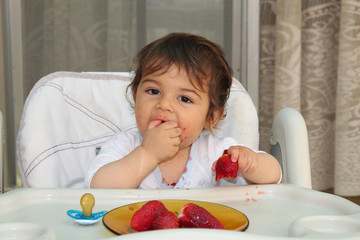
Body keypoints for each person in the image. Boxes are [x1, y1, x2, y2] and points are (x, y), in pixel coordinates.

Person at [85, 33, 281, 189]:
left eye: (185, 98)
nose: (165, 105)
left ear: (211, 117)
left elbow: (274, 176)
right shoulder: (124, 146)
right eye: (153, 91)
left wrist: (251, 163)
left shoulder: (214, 151)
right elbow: (98, 186)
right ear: (136, 96)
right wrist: (148, 154)